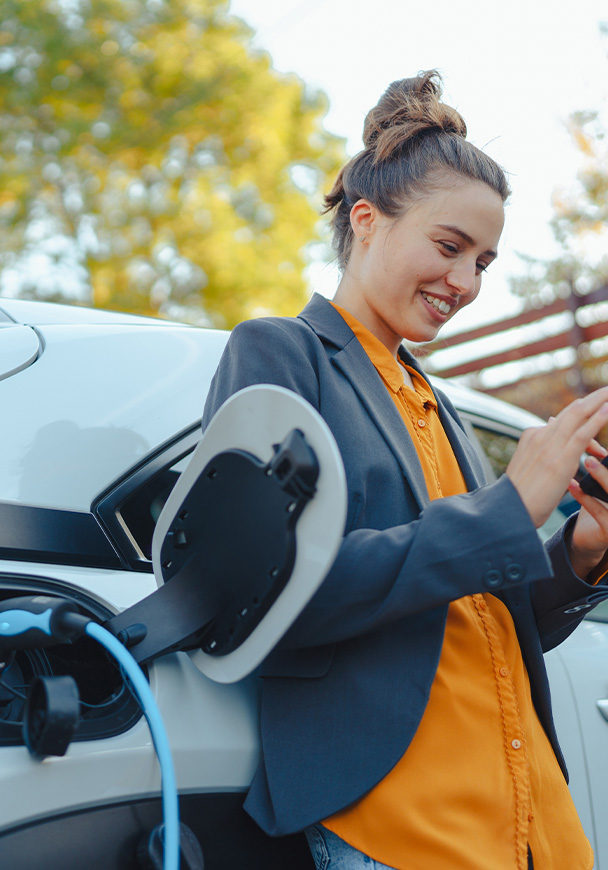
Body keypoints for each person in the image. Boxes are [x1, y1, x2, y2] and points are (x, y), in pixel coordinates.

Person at [202, 71, 608, 870]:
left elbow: (487, 615)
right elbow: (268, 591)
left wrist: (580, 555)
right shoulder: (281, 353)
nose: (466, 283)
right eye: (450, 247)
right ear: (367, 220)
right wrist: (510, 507)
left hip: (532, 821)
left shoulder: (436, 401)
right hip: (401, 822)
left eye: (484, 262)